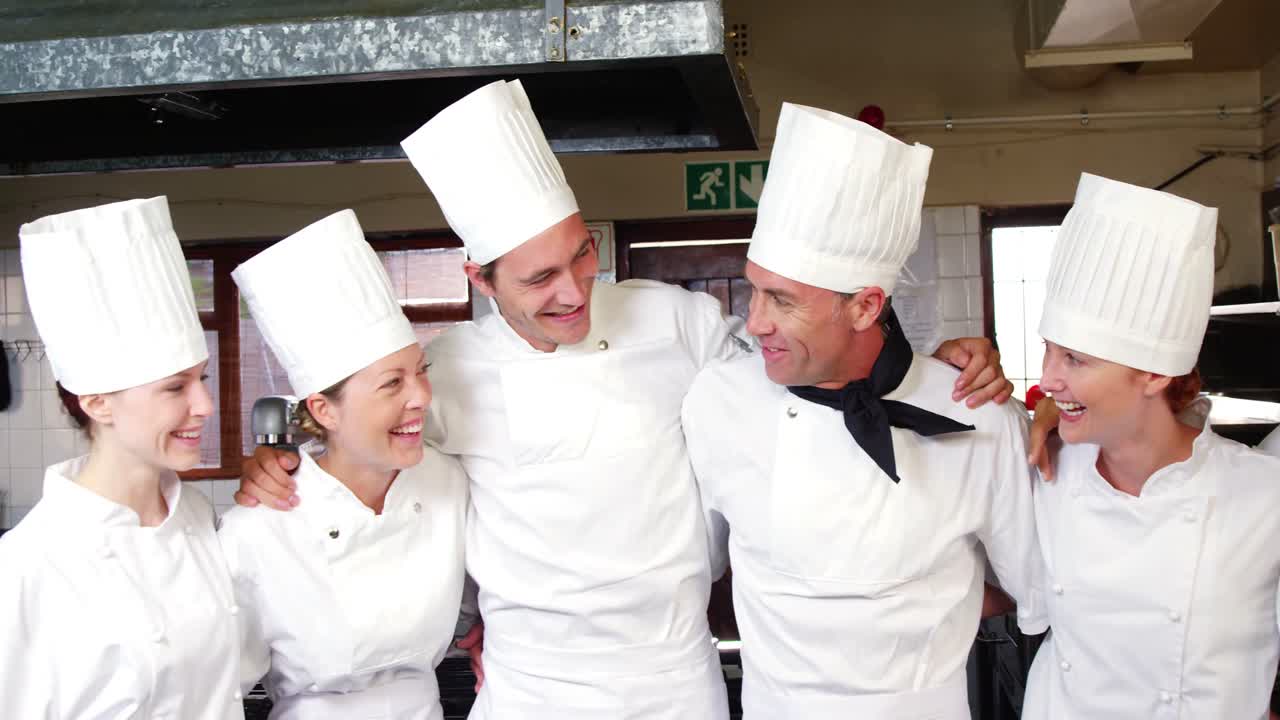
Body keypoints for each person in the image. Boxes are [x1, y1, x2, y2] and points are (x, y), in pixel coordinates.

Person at [236, 80, 1015, 718]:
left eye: (582, 257)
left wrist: (938, 358)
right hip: (531, 691)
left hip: (675, 680)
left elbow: (820, 362)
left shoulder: (673, 321)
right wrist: (280, 463)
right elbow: (368, 452)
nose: (575, 292)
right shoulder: (445, 371)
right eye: (540, 279)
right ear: (480, 281)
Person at [680, 102, 1045, 718]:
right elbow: (700, 561)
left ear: (864, 307)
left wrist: (930, 600)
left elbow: (1033, 587)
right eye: (753, 288)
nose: (755, 320)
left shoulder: (979, 415)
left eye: (782, 300)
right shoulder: (718, 403)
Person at [1022, 173, 1280, 718]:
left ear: (1154, 374)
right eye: (1049, 351)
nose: (1047, 378)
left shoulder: (1263, 494)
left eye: (1075, 358)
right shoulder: (1043, 471)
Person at [219, 209, 469, 719]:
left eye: (420, 371)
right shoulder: (261, 524)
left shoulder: (450, 480)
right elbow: (219, 685)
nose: (421, 396)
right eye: (391, 383)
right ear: (323, 410)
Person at [0, 197, 243, 718]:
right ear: (97, 403)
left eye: (200, 378)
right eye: (174, 388)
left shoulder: (197, 517)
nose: (204, 405)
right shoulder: (27, 566)